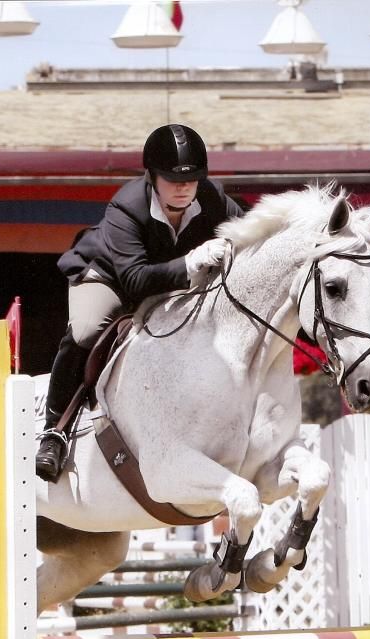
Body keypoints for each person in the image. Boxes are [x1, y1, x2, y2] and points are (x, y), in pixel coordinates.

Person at [35, 123, 245, 482]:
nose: (183, 187)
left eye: (192, 179)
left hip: (172, 283)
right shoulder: (126, 207)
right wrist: (191, 262)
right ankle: (54, 431)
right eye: (172, 179)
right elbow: (134, 280)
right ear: (151, 176)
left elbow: (251, 232)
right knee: (86, 332)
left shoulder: (211, 198)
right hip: (110, 278)